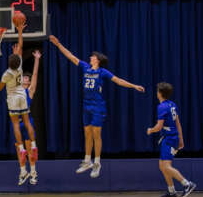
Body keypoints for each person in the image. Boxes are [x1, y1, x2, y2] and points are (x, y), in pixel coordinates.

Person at [48, 35, 145, 178]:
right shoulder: (85, 67)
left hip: (98, 106)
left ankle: (97, 163)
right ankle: (87, 161)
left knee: (96, 134)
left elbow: (118, 80)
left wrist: (133, 86)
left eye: (92, 56)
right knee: (87, 133)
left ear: (97, 60)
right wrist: (58, 44)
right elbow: (71, 57)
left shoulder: (102, 72)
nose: (90, 57)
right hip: (86, 105)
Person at [0, 24, 39, 185]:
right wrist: (20, 31)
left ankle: (22, 150)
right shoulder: (19, 68)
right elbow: (20, 48)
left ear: (8, 62)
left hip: (12, 98)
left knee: (16, 126)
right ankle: (32, 146)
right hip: (21, 97)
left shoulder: (7, 74)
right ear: (17, 61)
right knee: (26, 121)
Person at [146, 82, 196, 197]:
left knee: (166, 166)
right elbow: (178, 123)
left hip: (169, 138)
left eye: (158, 91)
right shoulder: (172, 104)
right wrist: (181, 140)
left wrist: (150, 130)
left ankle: (187, 184)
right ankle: (172, 191)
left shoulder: (162, 107)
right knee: (162, 166)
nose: (156, 93)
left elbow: (158, 127)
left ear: (160, 93)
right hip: (172, 137)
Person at [19, 50, 42, 185]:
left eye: (27, 78)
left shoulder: (30, 91)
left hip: (27, 122)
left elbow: (34, 74)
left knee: (29, 150)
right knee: (19, 149)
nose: (26, 79)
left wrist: (37, 60)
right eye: (23, 77)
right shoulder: (15, 89)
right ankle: (23, 172)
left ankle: (33, 173)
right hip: (17, 122)